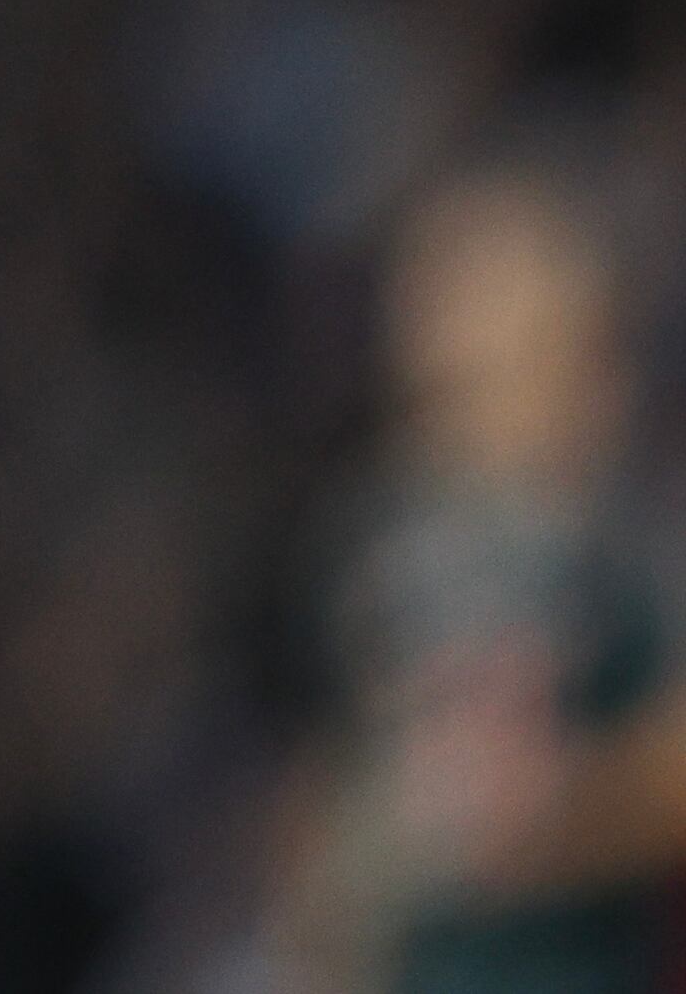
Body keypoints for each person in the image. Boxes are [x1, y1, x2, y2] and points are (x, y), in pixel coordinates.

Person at [271, 168, 686, 993]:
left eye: (528, 359)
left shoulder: (632, 539)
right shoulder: (377, 553)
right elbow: (326, 806)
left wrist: (564, 821)